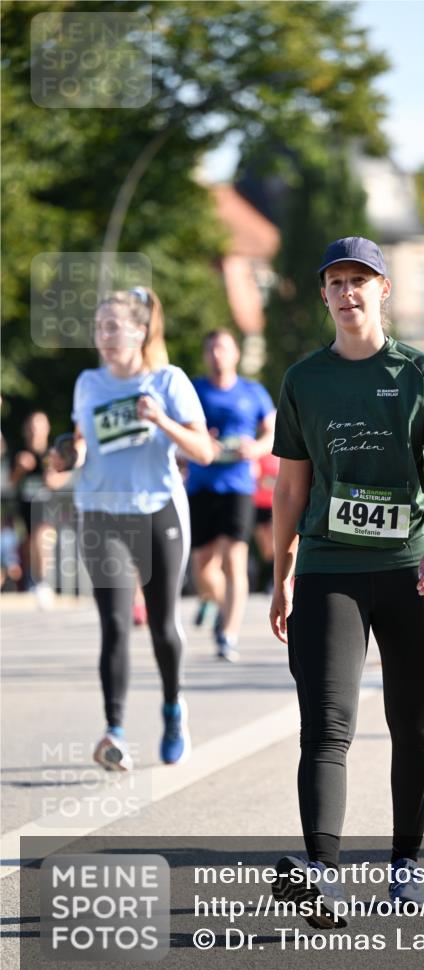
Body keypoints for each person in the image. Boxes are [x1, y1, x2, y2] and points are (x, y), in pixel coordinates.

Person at [268, 236, 424, 927]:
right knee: (324, 727)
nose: (347, 292)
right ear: (322, 294)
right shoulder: (302, 379)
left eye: (360, 280)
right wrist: (280, 572)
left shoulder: (421, 374)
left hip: (412, 570)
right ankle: (322, 876)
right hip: (329, 569)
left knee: (409, 724)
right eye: (335, 281)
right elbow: (290, 490)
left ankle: (404, 864)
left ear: (382, 290)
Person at [50, 287, 214, 770]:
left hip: (157, 510)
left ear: (140, 331)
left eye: (113, 326)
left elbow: (203, 452)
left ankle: (172, 709)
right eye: (99, 327)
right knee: (116, 624)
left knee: (162, 625)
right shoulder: (88, 383)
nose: (103, 336)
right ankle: (114, 730)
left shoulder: (168, 380)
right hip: (100, 511)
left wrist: (161, 419)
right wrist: (69, 453)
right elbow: (81, 443)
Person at [186, 329, 275, 662]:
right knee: (203, 570)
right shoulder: (194, 391)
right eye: (210, 349)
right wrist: (197, 440)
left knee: (234, 561)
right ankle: (213, 601)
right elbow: (179, 429)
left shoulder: (252, 392)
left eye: (222, 348)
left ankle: (227, 634)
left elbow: (272, 429)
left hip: (238, 486)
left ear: (235, 353)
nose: (216, 354)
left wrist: (256, 448)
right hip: (200, 485)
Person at [9, 411, 67, 607]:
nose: (35, 431)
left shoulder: (53, 453)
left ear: (47, 428)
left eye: (39, 426)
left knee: (42, 538)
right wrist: (20, 468)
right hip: (25, 510)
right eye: (32, 427)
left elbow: (62, 479)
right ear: (26, 430)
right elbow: (11, 482)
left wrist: (51, 477)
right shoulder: (19, 453)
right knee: (29, 546)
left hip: (48, 509)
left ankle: (43, 583)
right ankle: (33, 582)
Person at [252, 451, 280, 593]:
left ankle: (275, 582)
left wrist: (268, 481)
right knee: (266, 549)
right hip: (258, 505)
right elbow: (254, 477)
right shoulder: (258, 454)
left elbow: (284, 480)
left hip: (273, 505)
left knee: (274, 545)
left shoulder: (280, 456)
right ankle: (271, 578)